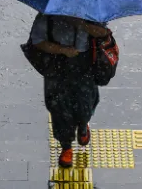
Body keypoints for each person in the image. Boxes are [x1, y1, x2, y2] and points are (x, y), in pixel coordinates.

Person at [30, 13, 110, 168]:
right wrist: (62, 50)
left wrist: (81, 24)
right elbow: (38, 40)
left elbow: (104, 33)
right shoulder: (48, 13)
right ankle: (66, 146)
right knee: (59, 107)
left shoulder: (92, 11)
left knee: (85, 103)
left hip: (85, 65)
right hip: (57, 66)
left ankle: (82, 125)